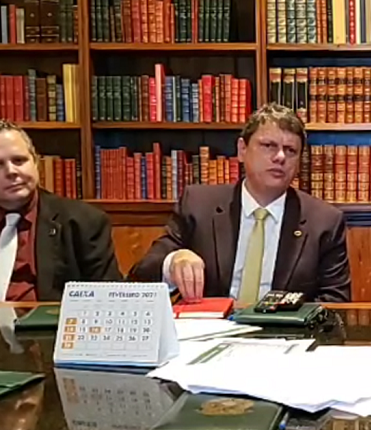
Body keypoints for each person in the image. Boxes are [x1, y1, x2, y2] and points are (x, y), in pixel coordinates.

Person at [129, 104, 351, 303]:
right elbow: (141, 275)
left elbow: (336, 301)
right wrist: (173, 262)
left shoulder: (324, 221)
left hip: (282, 332)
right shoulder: (199, 205)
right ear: (242, 150)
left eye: (291, 150)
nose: (280, 157)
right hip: (211, 329)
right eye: (269, 145)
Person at [0, 121, 121, 301]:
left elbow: (108, 298)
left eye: (19, 160)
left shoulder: (84, 222)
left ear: (36, 162)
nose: (11, 171)